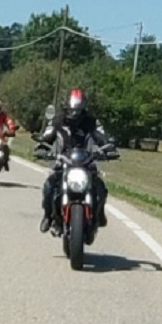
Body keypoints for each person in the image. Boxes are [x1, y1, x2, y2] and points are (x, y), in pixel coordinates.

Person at [36, 89, 109, 234]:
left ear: (83, 108)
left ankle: (99, 214)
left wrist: (108, 147)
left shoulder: (91, 122)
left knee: (100, 187)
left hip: (87, 162)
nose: (74, 113)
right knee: (49, 186)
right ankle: (48, 216)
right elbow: (47, 136)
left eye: (78, 110)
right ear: (66, 107)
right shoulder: (58, 120)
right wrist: (42, 146)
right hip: (63, 161)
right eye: (72, 110)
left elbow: (101, 136)